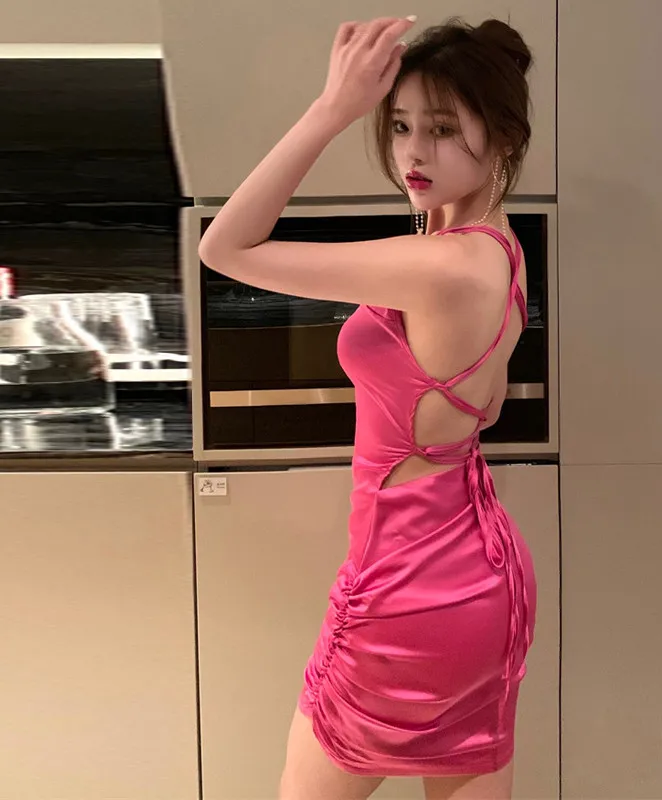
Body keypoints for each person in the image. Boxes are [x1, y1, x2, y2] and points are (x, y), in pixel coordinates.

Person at [198, 14, 537, 800]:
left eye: (443, 129)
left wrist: (331, 109)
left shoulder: (442, 266)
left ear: (503, 137)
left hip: (408, 586)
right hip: (478, 573)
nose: (413, 152)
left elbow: (225, 248)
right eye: (399, 125)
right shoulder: (498, 246)